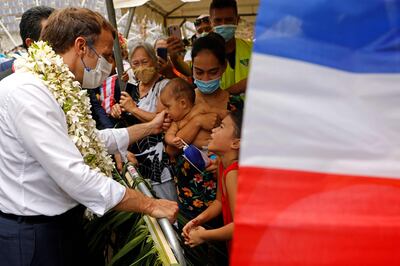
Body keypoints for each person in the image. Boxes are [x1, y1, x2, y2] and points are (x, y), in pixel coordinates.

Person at [0, 8, 177, 266]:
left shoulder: (54, 86)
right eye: (106, 55)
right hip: (33, 237)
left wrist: (150, 127)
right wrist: (150, 205)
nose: (111, 66)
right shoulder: (28, 93)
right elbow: (74, 175)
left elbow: (92, 141)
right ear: (81, 46)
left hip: (61, 226)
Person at [111, 41, 177, 202]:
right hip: (135, 161)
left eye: (145, 62)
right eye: (136, 63)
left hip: (159, 163)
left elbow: (165, 120)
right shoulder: (131, 88)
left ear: (155, 61)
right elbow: (126, 116)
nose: (140, 67)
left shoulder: (165, 86)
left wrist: (133, 109)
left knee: (167, 209)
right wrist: (117, 111)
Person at [182, 109, 243, 256]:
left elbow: (240, 227)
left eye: (221, 127)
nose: (214, 130)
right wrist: (197, 221)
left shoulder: (234, 173)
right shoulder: (223, 163)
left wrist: (204, 236)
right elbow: (219, 203)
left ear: (236, 143)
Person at [168, 0, 252, 95]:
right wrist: (173, 57)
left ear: (237, 20)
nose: (223, 24)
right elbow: (188, 69)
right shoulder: (203, 51)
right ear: (211, 22)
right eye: (218, 20)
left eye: (228, 20)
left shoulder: (253, 49)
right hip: (215, 108)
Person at [160, 78, 218, 157]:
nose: (166, 111)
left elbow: (218, 113)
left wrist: (226, 114)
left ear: (183, 103)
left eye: (168, 107)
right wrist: (172, 140)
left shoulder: (201, 108)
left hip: (212, 150)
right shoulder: (176, 122)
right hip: (195, 157)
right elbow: (168, 135)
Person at [0, 5, 54, 80]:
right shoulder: (7, 82)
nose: (62, 42)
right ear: (31, 44)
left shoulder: (70, 73)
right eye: (53, 37)